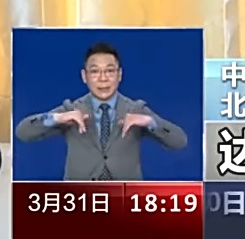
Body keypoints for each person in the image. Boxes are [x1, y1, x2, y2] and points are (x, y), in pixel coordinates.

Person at [14, 42, 187, 181]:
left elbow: (179, 141)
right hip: (80, 202)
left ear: (119, 75)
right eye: (95, 71)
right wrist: (57, 118)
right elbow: (23, 132)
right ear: (84, 76)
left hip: (124, 201)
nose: (103, 78)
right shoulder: (72, 109)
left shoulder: (135, 109)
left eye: (110, 71)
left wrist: (150, 122)